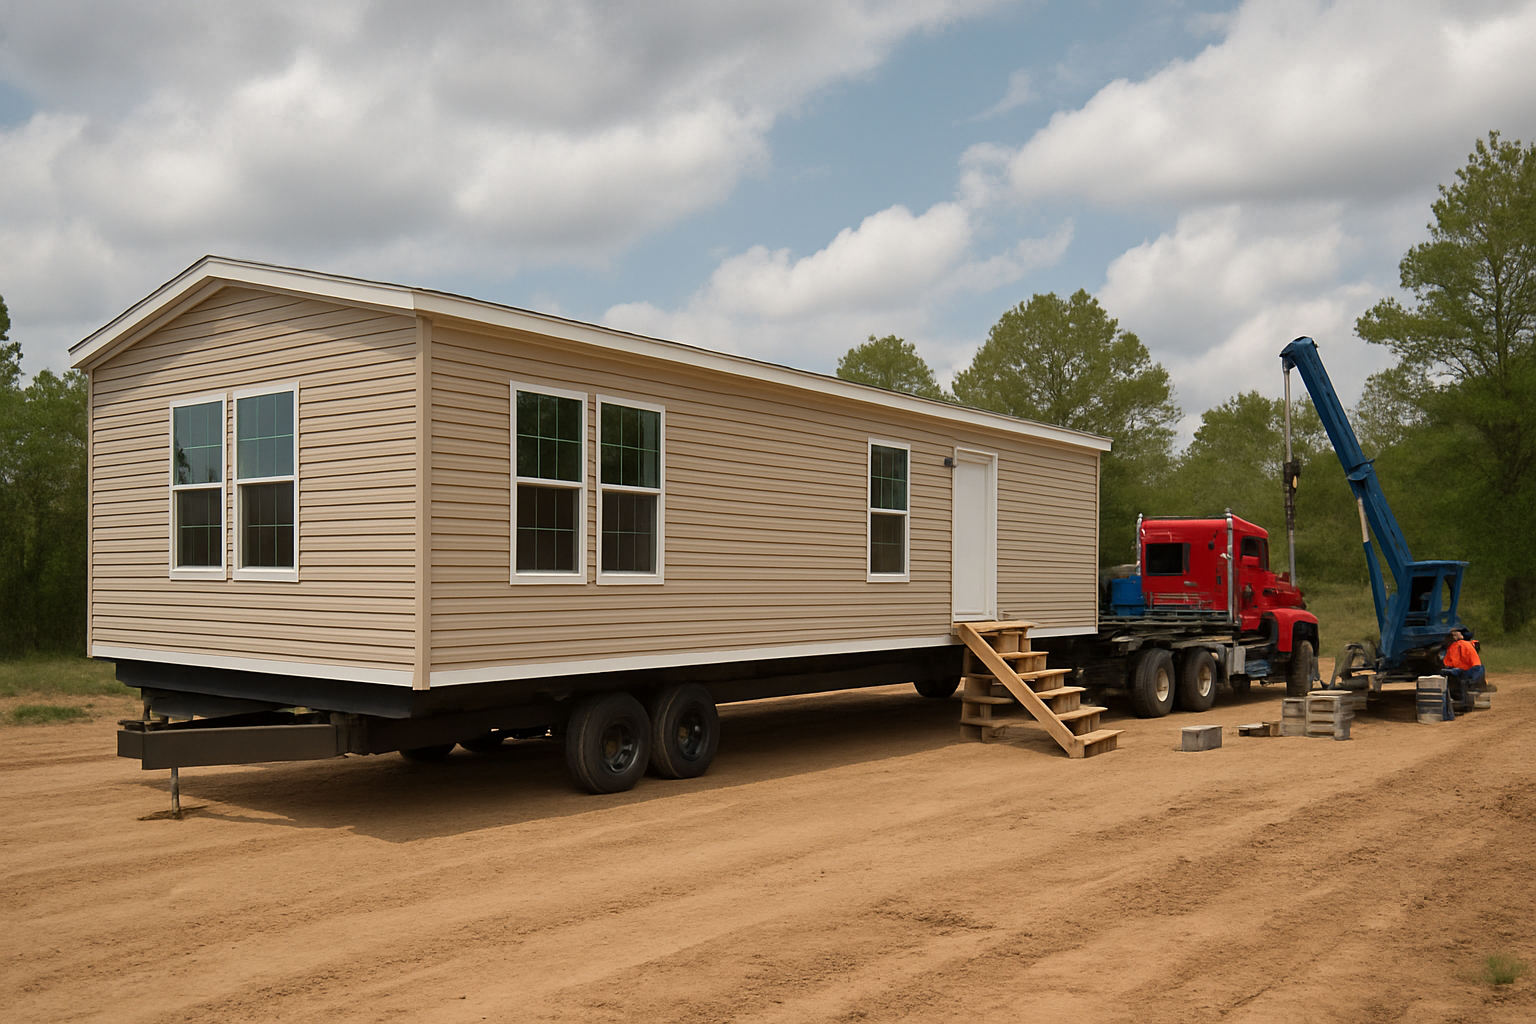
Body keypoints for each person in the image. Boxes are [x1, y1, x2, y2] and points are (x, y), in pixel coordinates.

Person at [1442, 627, 1484, 713]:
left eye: (1454, 635)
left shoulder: (1458, 645)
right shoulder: (1469, 643)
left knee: (1451, 676)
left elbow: (1454, 663)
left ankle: (1461, 703)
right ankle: (1465, 700)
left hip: (1471, 670)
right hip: (1477, 669)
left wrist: (1447, 668)